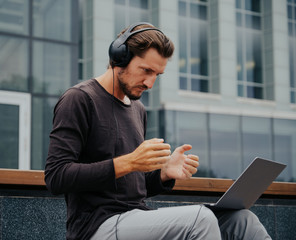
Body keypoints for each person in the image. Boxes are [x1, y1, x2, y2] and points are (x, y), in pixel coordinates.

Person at [45, 22, 271, 240]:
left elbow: (134, 185)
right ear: (120, 57)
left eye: (157, 75)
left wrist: (163, 174)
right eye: (146, 70)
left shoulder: (138, 109)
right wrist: (131, 162)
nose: (150, 83)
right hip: (96, 226)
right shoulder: (79, 99)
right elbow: (56, 176)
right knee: (200, 220)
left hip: (137, 218)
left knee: (242, 220)